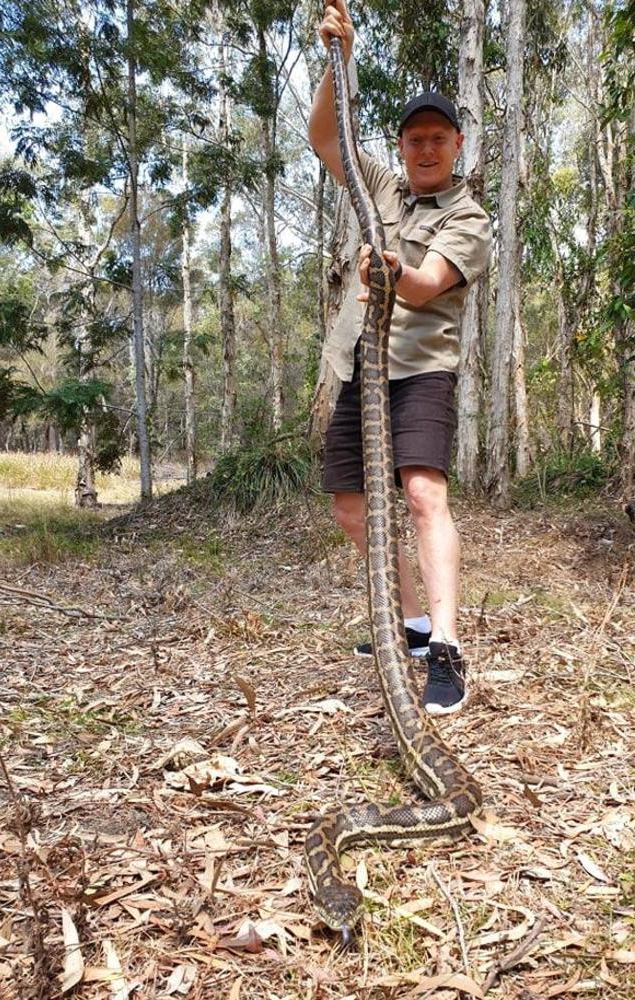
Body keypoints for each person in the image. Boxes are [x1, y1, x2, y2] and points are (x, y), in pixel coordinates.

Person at [309, 0, 491, 714]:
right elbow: (327, 136)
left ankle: (445, 648)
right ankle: (411, 624)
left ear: (456, 146)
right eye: (413, 138)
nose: (423, 149)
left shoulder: (467, 215)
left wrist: (388, 271)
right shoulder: (381, 186)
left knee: (422, 496)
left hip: (420, 370)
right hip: (362, 367)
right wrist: (339, 60)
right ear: (402, 144)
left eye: (437, 139)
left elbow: (427, 284)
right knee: (352, 508)